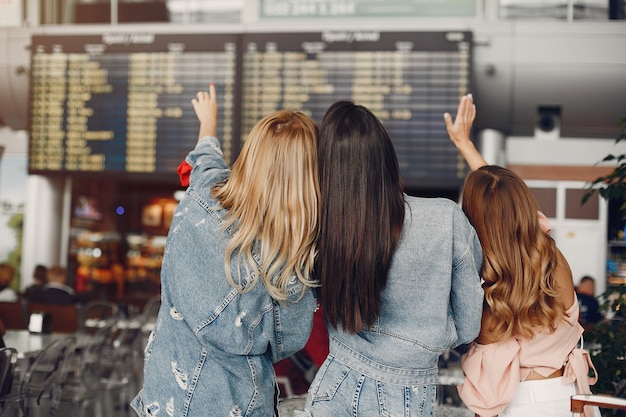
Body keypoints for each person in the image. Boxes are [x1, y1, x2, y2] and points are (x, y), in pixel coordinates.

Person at [130, 84, 320, 417]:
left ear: (251, 155)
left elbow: (205, 159)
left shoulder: (203, 192)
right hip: (237, 403)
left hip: (165, 397)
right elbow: (286, 341)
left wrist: (208, 122)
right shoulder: (289, 259)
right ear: (305, 181)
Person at [299, 100, 484, 416]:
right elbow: (469, 327)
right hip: (407, 397)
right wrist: (433, 331)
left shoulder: (320, 228)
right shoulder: (445, 219)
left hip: (334, 386)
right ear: (386, 155)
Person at [445, 94, 599, 417]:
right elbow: (504, 204)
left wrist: (464, 145)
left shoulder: (490, 307)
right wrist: (466, 145)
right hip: (573, 401)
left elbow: (486, 402)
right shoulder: (553, 261)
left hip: (523, 407)